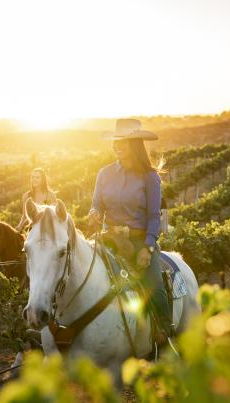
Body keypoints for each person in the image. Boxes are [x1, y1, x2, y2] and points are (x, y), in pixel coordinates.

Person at [87, 118, 172, 342]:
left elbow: (154, 216)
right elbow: (97, 204)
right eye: (115, 141)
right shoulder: (104, 174)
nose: (116, 145)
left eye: (122, 141)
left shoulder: (150, 177)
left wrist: (148, 247)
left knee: (154, 285)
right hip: (109, 241)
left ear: (134, 144)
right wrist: (94, 213)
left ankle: (165, 331)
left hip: (138, 242)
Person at [16, 168, 57, 232]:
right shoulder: (26, 196)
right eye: (33, 177)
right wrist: (20, 226)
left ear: (43, 180)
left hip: (48, 229)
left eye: (37, 177)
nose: (34, 179)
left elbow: (55, 214)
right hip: (33, 228)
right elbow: (24, 215)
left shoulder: (50, 195)